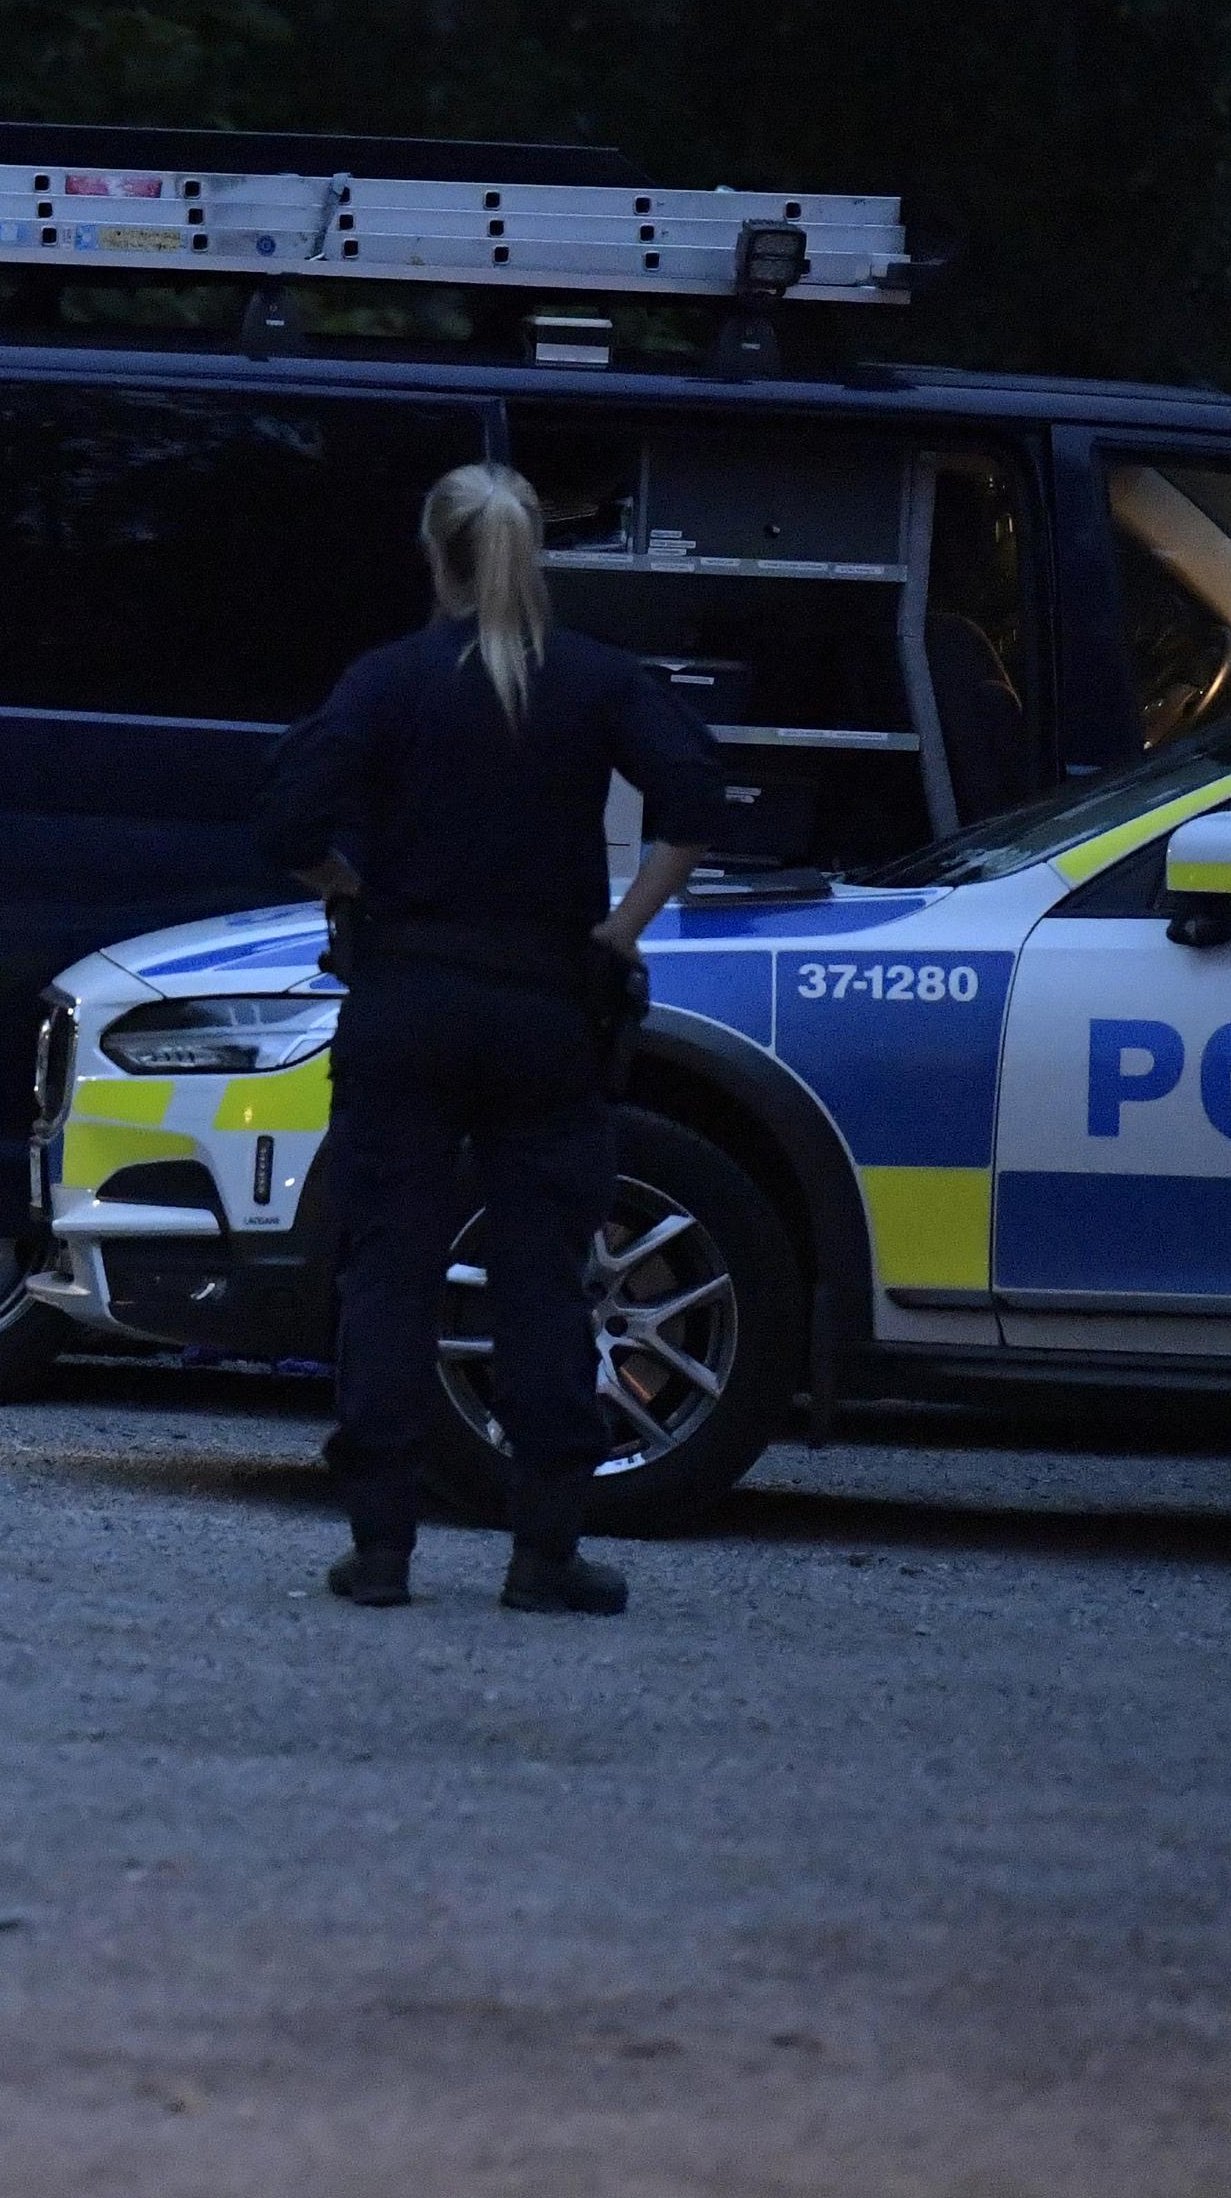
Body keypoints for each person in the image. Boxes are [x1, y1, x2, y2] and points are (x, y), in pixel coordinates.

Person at [258, 462, 727, 1615]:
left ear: (436, 557)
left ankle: (379, 1549)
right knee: (542, 1276)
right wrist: (618, 931)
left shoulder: (389, 682)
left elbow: (285, 821)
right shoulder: (595, 679)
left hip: (407, 997)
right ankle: (546, 1550)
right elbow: (696, 798)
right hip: (546, 1010)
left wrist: (351, 891)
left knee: (390, 1271)